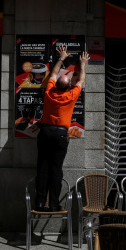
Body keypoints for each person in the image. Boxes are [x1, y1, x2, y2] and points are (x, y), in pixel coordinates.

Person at [35, 45, 90, 212]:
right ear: (67, 87)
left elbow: (52, 74)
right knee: (56, 168)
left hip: (45, 132)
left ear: (55, 85)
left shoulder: (49, 93)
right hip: (60, 135)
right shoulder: (71, 95)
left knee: (43, 167)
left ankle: (39, 203)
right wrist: (83, 64)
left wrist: (61, 58)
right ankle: (53, 204)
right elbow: (81, 81)